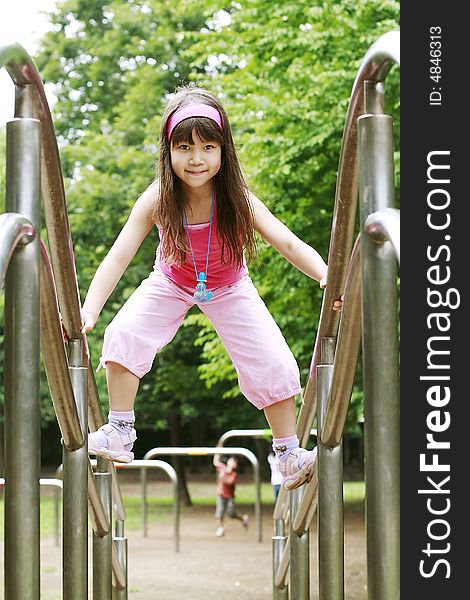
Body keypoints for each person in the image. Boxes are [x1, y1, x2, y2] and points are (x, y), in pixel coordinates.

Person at [83, 84, 343, 490]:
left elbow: (286, 240)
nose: (196, 158)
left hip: (230, 286)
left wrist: (326, 273)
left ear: (224, 151)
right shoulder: (156, 199)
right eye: (184, 147)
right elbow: (118, 257)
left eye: (208, 147)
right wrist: (90, 311)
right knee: (124, 333)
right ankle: (120, 429)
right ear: (168, 152)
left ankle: (289, 453)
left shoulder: (236, 197)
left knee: (273, 360)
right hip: (171, 280)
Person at [213, 454, 249, 537]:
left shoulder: (233, 474)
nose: (231, 462)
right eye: (231, 460)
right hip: (221, 494)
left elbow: (229, 482)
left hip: (229, 496)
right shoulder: (223, 468)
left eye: (233, 461)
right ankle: (220, 528)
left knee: (231, 514)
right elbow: (215, 462)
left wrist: (223, 476)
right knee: (219, 512)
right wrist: (218, 451)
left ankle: (243, 519)